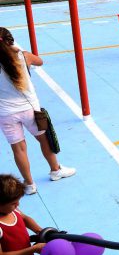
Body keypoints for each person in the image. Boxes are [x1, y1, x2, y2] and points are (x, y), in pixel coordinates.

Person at [0, 28, 75, 195]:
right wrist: (17, 50)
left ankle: (29, 184)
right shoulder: (23, 56)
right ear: (9, 41)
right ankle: (55, 170)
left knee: (18, 149)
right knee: (44, 140)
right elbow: (40, 61)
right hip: (29, 109)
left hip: (5, 113)